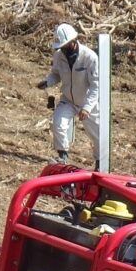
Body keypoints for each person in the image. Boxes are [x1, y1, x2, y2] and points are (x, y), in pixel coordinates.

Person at [36, 23, 100, 167]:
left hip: (87, 102)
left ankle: (100, 161)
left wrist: (87, 107)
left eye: (65, 46)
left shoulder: (89, 58)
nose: (63, 50)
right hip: (68, 100)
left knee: (97, 134)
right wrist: (47, 82)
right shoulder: (59, 56)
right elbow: (56, 74)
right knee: (58, 123)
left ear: (73, 41)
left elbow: (96, 85)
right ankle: (62, 155)